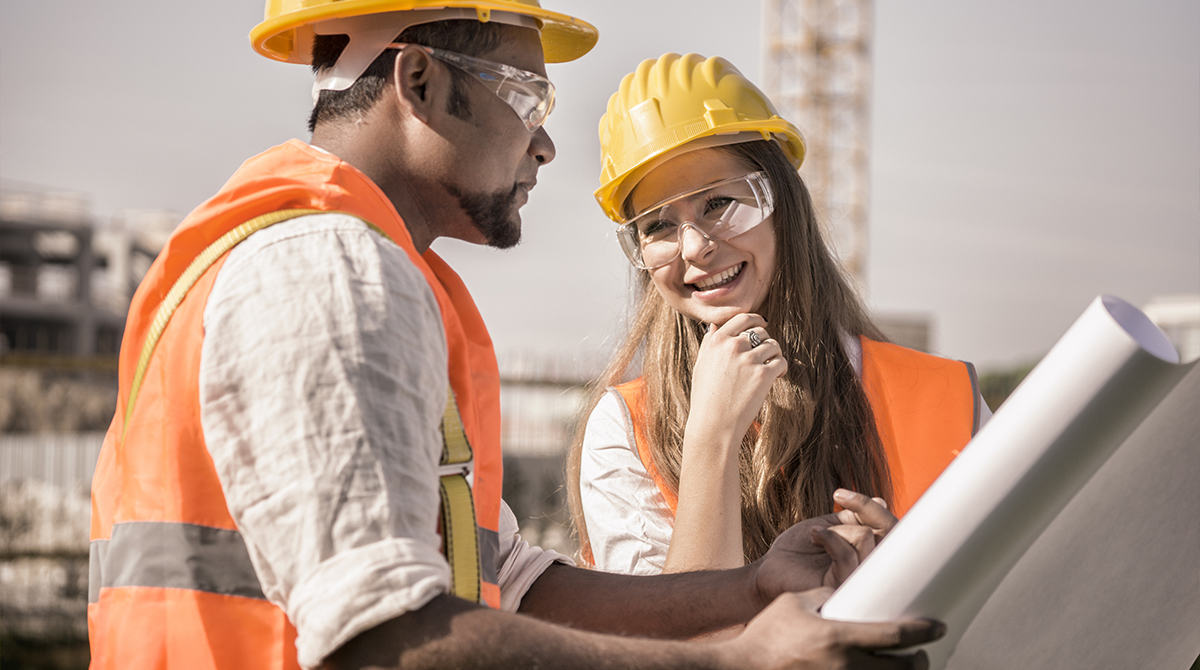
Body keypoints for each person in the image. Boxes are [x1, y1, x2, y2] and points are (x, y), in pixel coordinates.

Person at [87, 6, 944, 669]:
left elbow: (509, 584)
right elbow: (384, 639)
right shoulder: (331, 267)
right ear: (418, 81)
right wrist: (736, 657)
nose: (544, 142)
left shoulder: (380, 270)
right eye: (526, 96)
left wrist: (746, 588)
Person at [569, 53, 991, 576]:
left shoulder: (949, 399)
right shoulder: (626, 431)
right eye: (656, 226)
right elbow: (676, 649)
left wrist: (908, 578)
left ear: (782, 205)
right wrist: (712, 438)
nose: (696, 247)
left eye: (718, 203)